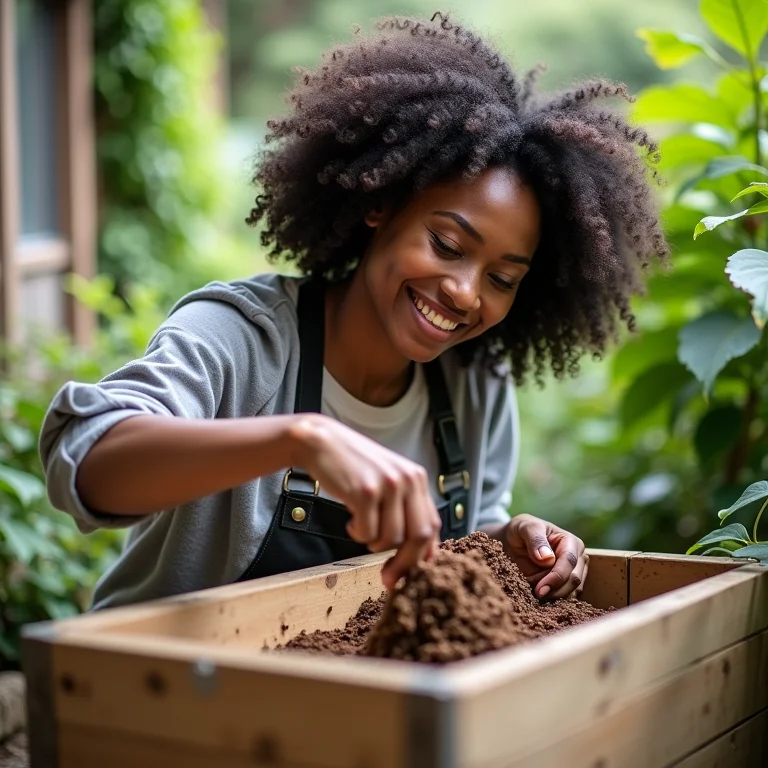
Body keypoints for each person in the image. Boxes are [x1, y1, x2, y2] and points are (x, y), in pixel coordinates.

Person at [39, 13, 668, 610]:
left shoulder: (475, 386)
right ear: (380, 206)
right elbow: (85, 461)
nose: (465, 292)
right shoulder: (241, 339)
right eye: (447, 245)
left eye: (503, 279)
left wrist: (510, 540)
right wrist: (302, 439)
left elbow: (470, 541)